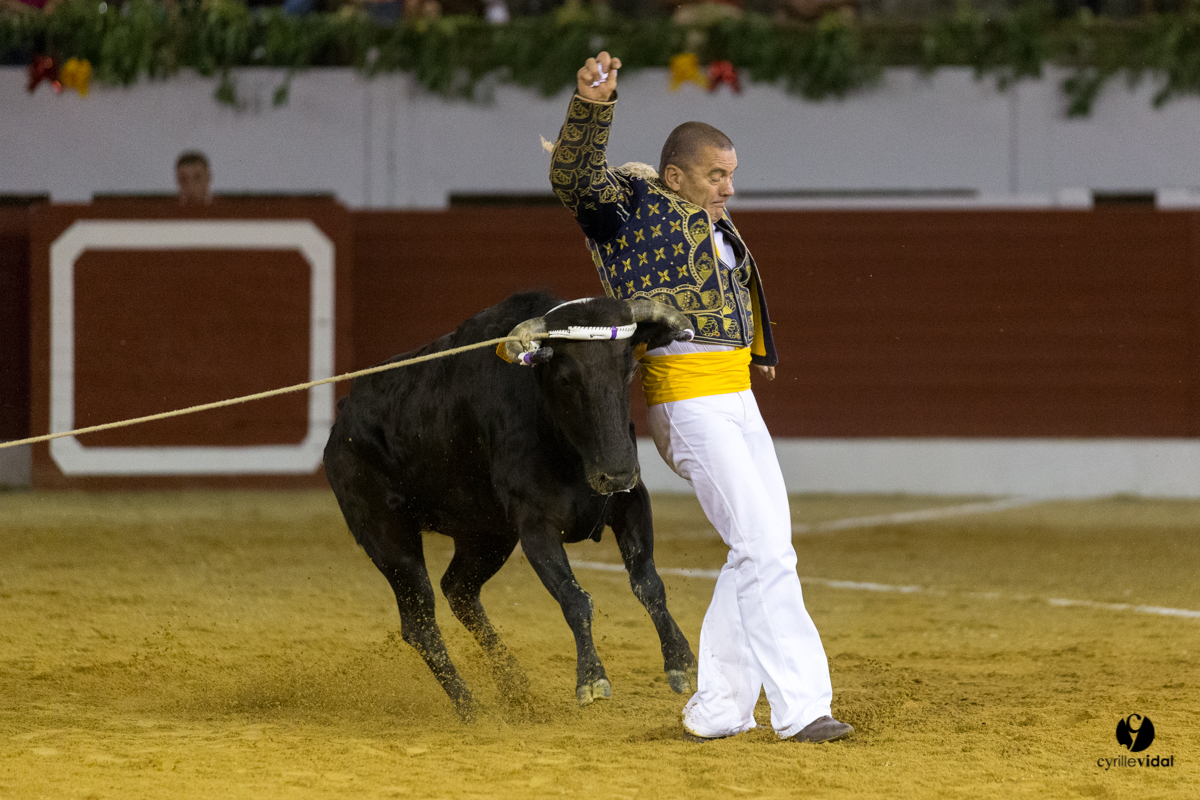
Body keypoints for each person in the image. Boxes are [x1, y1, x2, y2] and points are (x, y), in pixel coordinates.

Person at [547, 51, 853, 744]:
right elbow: (573, 178)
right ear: (676, 173)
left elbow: (736, 298)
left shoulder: (712, 222)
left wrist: (759, 354)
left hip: (735, 397)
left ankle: (718, 706)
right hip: (687, 401)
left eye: (733, 176)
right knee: (764, 550)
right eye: (717, 176)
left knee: (764, 547)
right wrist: (591, 109)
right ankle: (803, 707)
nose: (729, 190)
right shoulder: (628, 209)